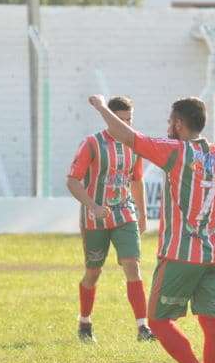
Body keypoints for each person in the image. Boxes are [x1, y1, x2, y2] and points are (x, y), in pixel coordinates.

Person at [88, 91, 215, 363]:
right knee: (212, 325)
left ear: (178, 124)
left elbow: (128, 136)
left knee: (158, 321)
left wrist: (101, 108)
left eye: (169, 121)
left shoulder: (176, 153)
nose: (167, 126)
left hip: (180, 255)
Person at [66, 96, 154, 344]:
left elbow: (136, 180)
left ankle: (142, 328)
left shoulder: (135, 145)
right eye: (121, 120)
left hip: (124, 212)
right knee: (93, 272)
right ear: (110, 119)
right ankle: (85, 321)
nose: (126, 125)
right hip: (95, 218)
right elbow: (72, 180)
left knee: (133, 266)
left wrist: (143, 214)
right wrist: (93, 205)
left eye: (129, 120)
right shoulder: (92, 144)